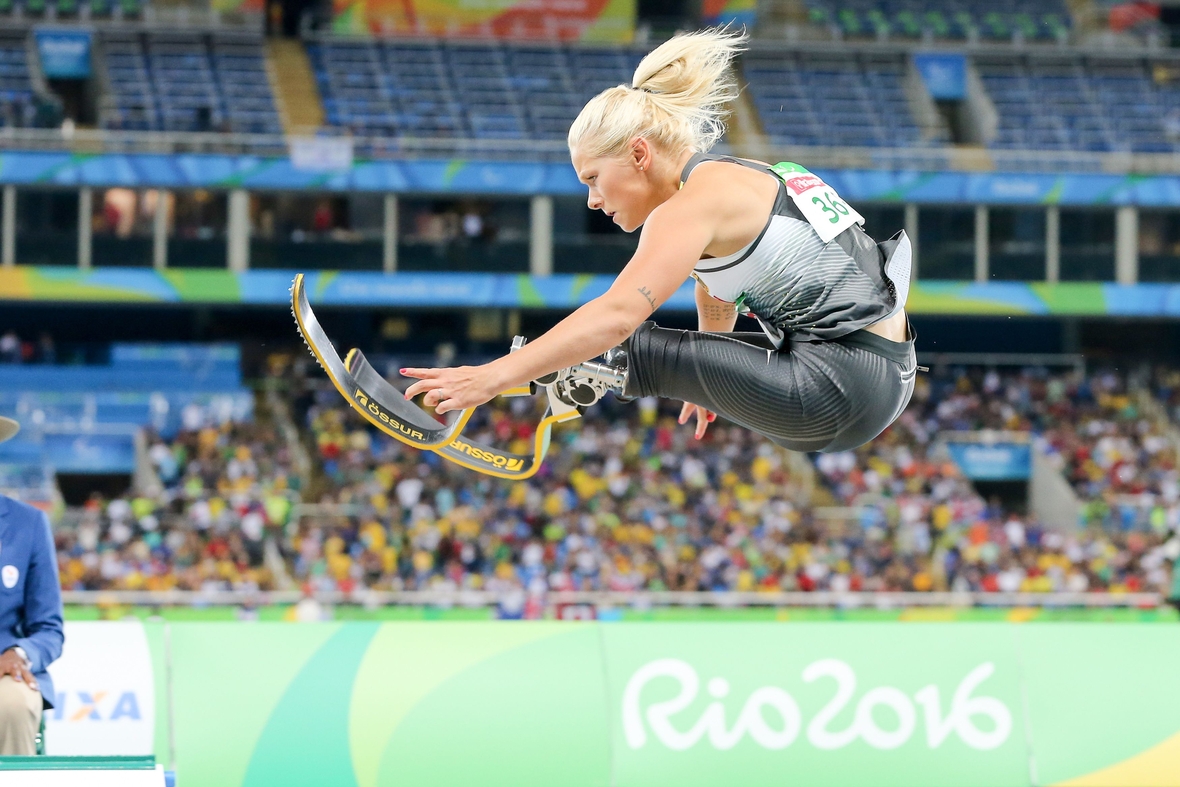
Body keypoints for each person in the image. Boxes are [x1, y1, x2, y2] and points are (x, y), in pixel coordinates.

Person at [401, 28, 915, 454]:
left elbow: (617, 315)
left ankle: (525, 381)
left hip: (838, 388)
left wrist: (491, 376)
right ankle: (548, 375)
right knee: (633, 350)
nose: (592, 201)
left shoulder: (689, 207)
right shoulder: (735, 178)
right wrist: (708, 381)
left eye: (593, 178)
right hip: (873, 379)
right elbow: (717, 289)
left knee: (628, 344)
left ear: (640, 154)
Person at [0, 416, 65, 755]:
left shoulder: (29, 524)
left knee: (12, 705)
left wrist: (18, 653)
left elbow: (49, 630)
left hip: (4, 671)